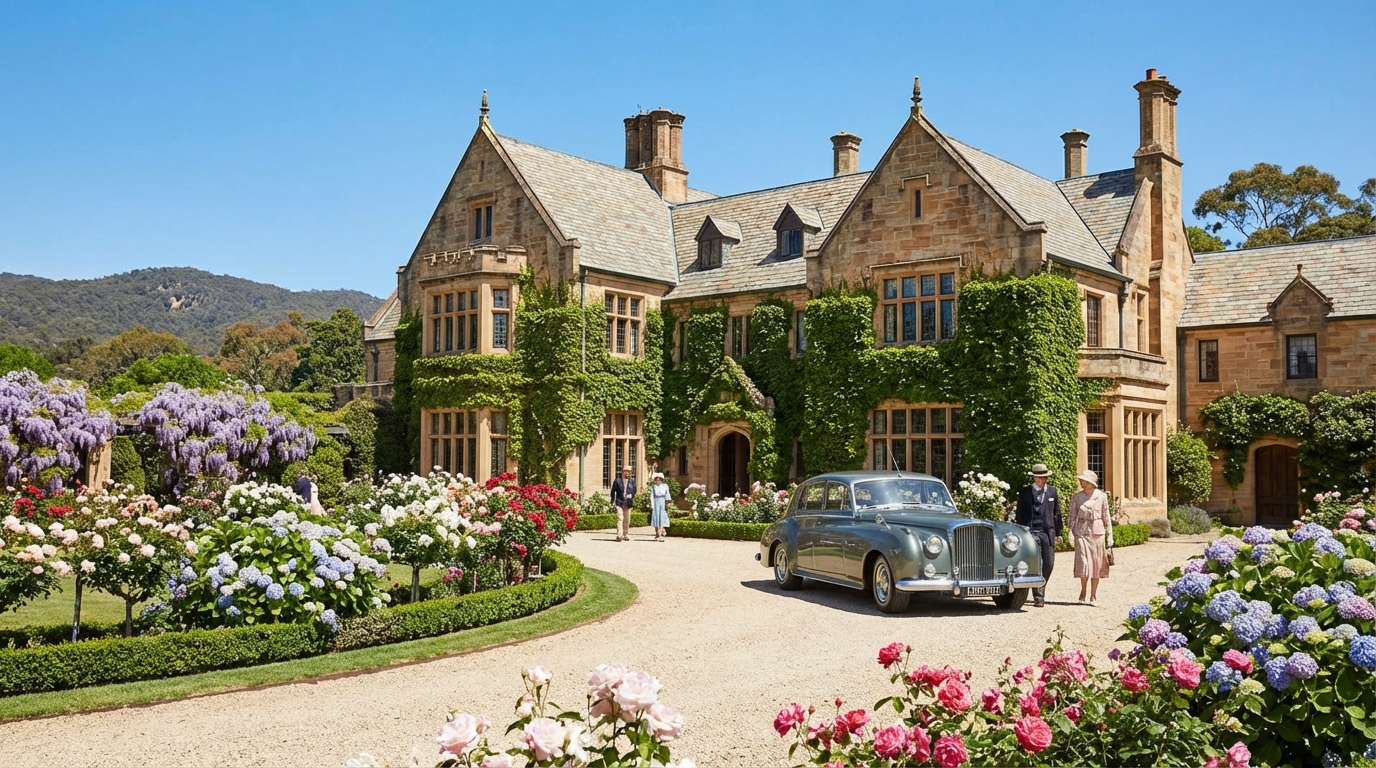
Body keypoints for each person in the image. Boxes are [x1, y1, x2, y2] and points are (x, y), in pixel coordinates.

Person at [1015, 463, 1063, 608]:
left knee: (1049, 563)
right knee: (1033, 562)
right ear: (1034, 477)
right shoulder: (1024, 492)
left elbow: (1057, 514)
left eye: (1043, 478)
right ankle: (1038, 596)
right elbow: (1019, 514)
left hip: (1047, 531)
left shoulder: (1052, 492)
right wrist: (1021, 531)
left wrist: (1059, 533)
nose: (1041, 480)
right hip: (1030, 531)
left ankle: (1040, 587)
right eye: (1038, 477)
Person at [1069, 469, 1112, 605]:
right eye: (1081, 481)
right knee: (1083, 563)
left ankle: (1093, 595)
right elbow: (1072, 515)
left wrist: (1110, 534)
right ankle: (1083, 591)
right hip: (1081, 532)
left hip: (1097, 533)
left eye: (1084, 481)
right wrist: (1070, 531)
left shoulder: (1101, 496)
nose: (1081, 483)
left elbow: (1106, 515)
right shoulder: (1077, 497)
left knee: (1096, 564)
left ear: (1090, 483)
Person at [610, 468, 636, 542]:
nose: (627, 473)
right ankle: (619, 534)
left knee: (627, 519)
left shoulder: (632, 482)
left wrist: (632, 495)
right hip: (619, 501)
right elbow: (613, 491)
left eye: (628, 472)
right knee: (620, 518)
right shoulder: (617, 481)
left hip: (628, 502)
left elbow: (634, 491)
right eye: (625, 471)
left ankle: (625, 534)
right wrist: (612, 500)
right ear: (623, 472)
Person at [649, 472, 672, 542]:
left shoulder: (665, 486)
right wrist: (652, 504)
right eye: (657, 480)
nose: (658, 481)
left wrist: (668, 502)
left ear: (661, 480)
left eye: (659, 480)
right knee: (656, 518)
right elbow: (652, 496)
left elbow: (667, 494)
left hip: (662, 502)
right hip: (656, 503)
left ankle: (660, 534)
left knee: (662, 518)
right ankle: (657, 533)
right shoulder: (653, 487)